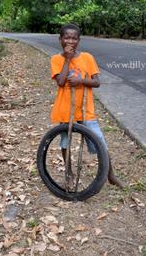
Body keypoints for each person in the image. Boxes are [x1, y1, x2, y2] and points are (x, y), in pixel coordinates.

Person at [51, 23, 124, 188]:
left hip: (85, 109)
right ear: (60, 39)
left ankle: (110, 174)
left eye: (74, 38)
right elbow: (61, 82)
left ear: (79, 40)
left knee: (99, 141)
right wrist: (68, 60)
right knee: (65, 142)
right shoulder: (56, 59)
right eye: (67, 37)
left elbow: (96, 82)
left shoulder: (87, 58)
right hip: (65, 109)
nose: (70, 41)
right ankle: (68, 173)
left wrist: (81, 80)